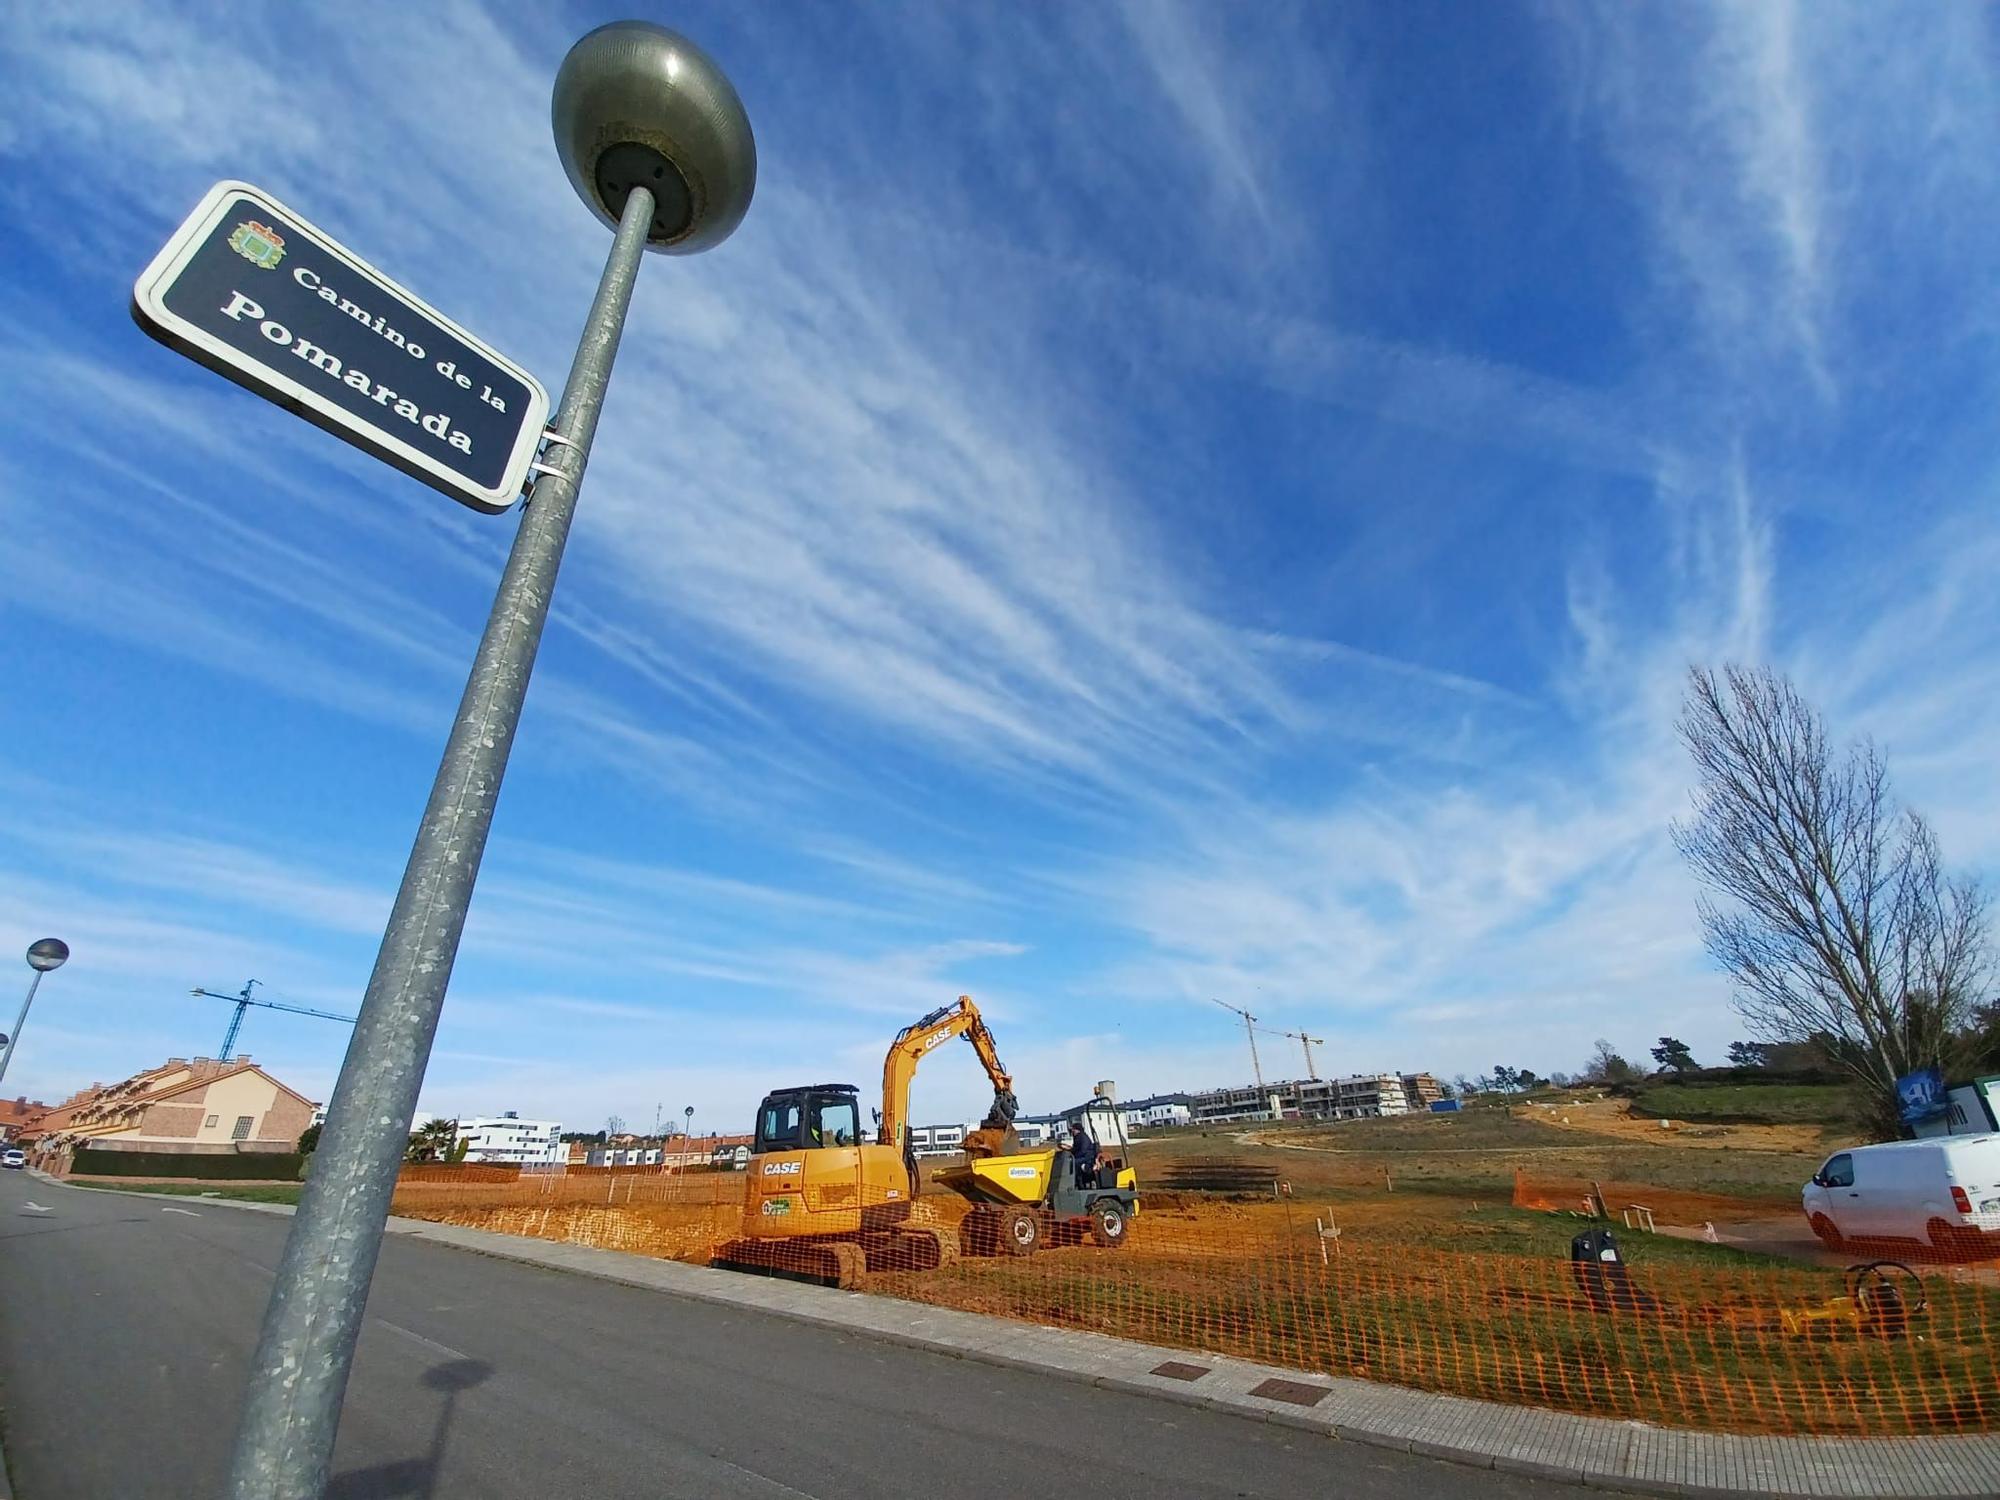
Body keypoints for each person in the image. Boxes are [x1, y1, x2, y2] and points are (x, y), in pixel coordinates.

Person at [1068, 1121, 1098, 1189]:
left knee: (1073, 1163)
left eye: (1073, 1130)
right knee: (1071, 1162)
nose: (1072, 1131)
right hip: (1083, 1156)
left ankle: (1079, 1185)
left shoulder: (1083, 1137)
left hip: (1087, 1157)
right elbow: (1076, 1148)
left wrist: (1074, 1156)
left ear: (1077, 1130)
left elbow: (1083, 1151)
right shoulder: (1077, 1137)